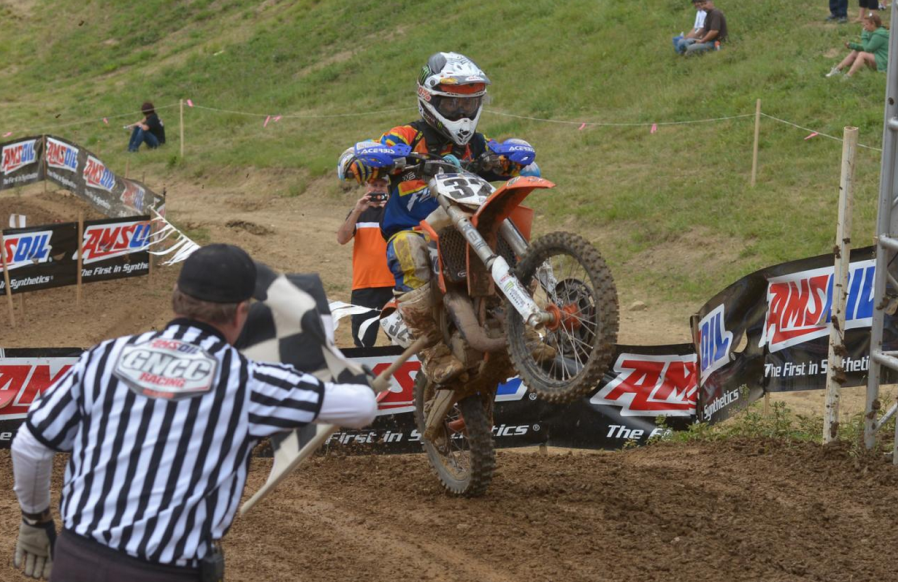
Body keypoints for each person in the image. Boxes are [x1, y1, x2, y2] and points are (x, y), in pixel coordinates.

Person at [10, 244, 378, 581]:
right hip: (166, 571)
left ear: (176, 300)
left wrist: (36, 519)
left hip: (77, 560)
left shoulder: (103, 357)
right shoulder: (246, 381)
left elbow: (30, 444)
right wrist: (363, 382)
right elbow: (362, 408)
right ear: (241, 313)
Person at [338, 52, 533, 386]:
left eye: (468, 105)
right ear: (429, 101)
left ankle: (532, 330)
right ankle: (434, 353)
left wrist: (511, 159)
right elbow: (354, 162)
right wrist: (370, 160)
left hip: (471, 228)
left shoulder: (477, 144)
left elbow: (507, 157)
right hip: (417, 229)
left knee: (513, 229)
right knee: (406, 248)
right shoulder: (406, 136)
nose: (461, 113)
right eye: (452, 105)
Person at [336, 177, 396, 348]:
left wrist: (390, 211)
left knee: (400, 339)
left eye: (382, 185)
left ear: (387, 188)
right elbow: (342, 238)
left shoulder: (395, 212)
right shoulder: (358, 213)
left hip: (394, 284)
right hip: (365, 286)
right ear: (366, 187)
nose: (378, 189)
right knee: (363, 342)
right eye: (374, 185)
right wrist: (356, 211)